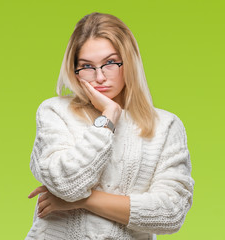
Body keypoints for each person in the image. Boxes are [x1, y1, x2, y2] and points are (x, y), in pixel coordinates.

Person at [25, 12, 194, 240]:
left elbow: (170, 213)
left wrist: (84, 200)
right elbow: (66, 184)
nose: (100, 77)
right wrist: (108, 117)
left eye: (110, 63)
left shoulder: (165, 126)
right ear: (74, 69)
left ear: (129, 61)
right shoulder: (55, 111)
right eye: (87, 66)